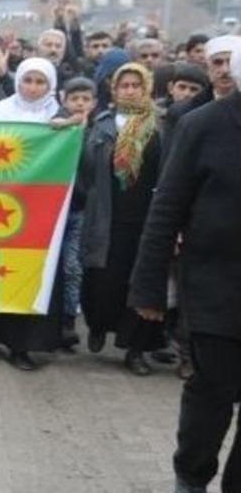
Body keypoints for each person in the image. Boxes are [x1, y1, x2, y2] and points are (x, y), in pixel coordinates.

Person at [129, 50, 241, 493]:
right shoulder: (205, 126)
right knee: (214, 388)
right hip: (216, 282)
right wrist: (149, 287)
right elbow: (167, 208)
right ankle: (192, 476)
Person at [0, 58, 72, 370]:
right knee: (6, 272)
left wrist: (72, 131)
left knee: (38, 273)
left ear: (51, 86)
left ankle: (29, 342)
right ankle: (7, 338)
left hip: (43, 213)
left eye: (40, 82)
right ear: (18, 81)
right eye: (27, 80)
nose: (33, 88)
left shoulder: (60, 118)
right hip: (3, 208)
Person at [78, 63, 163, 375]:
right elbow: (86, 171)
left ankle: (135, 350)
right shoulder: (101, 125)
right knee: (103, 281)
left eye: (135, 85)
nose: (129, 90)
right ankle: (99, 325)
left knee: (141, 283)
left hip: (146, 219)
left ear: (146, 88)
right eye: (123, 85)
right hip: (107, 218)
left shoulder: (159, 126)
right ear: (114, 89)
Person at [57, 77, 95, 342]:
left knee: (72, 267)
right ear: (63, 100)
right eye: (74, 99)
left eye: (85, 99)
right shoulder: (55, 127)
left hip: (80, 210)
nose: (79, 104)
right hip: (53, 209)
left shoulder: (98, 132)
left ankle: (69, 320)